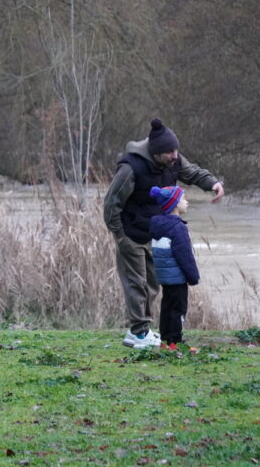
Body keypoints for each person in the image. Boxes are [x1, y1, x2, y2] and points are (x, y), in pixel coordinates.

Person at [103, 118, 223, 349]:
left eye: (176, 150)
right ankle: (139, 333)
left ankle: (139, 330)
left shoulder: (172, 160)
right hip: (130, 233)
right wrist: (119, 236)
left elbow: (192, 173)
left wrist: (213, 183)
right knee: (136, 283)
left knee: (152, 284)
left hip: (155, 233)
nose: (175, 155)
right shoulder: (130, 168)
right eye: (170, 152)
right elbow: (111, 204)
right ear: (156, 153)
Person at [149, 185, 199, 348]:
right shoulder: (177, 227)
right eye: (183, 199)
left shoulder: (157, 225)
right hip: (177, 276)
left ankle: (166, 336)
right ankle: (175, 340)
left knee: (167, 305)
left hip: (164, 276)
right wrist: (193, 276)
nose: (187, 202)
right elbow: (184, 255)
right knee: (178, 308)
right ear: (175, 204)